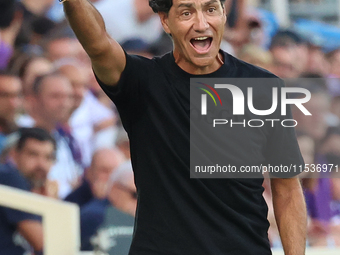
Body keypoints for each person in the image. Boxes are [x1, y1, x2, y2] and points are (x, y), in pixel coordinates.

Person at [63, 0, 307, 254]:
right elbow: (97, 43)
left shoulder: (264, 87)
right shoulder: (142, 82)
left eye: (211, 9)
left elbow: (287, 189)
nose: (201, 24)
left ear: (224, 15)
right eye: (186, 12)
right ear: (165, 21)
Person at [0, 127, 56, 255]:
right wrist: (52, 204)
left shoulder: (30, 188)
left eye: (48, 157)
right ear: (14, 154)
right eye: (33, 154)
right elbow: (46, 244)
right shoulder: (9, 177)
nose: (41, 164)